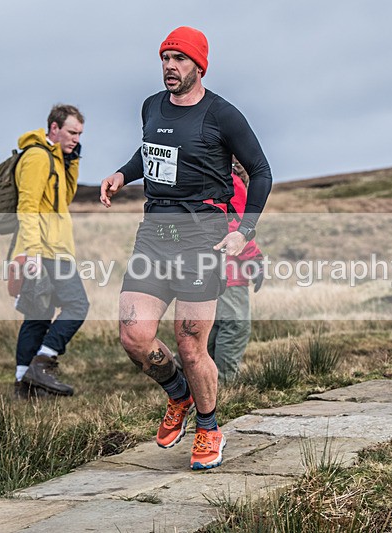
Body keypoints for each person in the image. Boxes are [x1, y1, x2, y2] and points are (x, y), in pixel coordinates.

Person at [100, 27, 272, 470]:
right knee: (134, 335)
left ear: (199, 66)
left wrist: (244, 231)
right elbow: (150, 152)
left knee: (191, 344)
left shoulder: (222, 115)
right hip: (154, 235)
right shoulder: (151, 106)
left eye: (179, 59)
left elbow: (261, 171)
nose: (169, 67)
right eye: (165, 58)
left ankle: (209, 428)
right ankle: (179, 394)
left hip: (201, 239)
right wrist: (122, 174)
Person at [12, 104, 90, 400]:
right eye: (72, 132)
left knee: (38, 316)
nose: (76, 138)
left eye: (79, 134)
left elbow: (64, 198)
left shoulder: (56, 158)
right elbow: (27, 206)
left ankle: (23, 385)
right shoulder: (37, 157)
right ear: (54, 128)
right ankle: (43, 362)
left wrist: (72, 160)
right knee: (77, 305)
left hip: (52, 249)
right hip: (44, 250)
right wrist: (32, 253)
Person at [207, 157, 265, 383]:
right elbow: (236, 228)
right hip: (228, 271)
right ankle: (224, 387)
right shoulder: (231, 182)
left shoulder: (208, 179)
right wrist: (255, 260)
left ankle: (187, 380)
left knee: (210, 331)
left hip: (205, 269)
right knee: (234, 327)